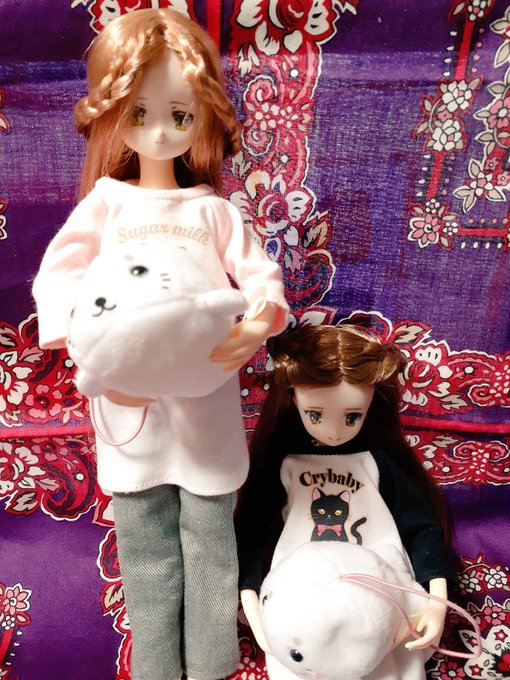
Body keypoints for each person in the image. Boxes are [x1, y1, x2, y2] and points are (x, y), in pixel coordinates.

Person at [32, 8, 288, 680]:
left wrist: (256, 325)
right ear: (111, 115)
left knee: (210, 534)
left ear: (204, 118)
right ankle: (154, 662)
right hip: (129, 396)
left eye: (180, 114)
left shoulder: (212, 211)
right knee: (143, 535)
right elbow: (60, 277)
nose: (159, 131)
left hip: (206, 392)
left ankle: (210, 659)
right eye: (139, 113)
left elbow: (261, 278)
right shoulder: (108, 204)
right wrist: (89, 352)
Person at [235, 324, 454, 680]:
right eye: (316, 415)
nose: (334, 431)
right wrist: (252, 600)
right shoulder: (287, 465)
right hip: (301, 586)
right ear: (293, 401)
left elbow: (420, 526)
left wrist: (436, 601)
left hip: (379, 582)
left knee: (388, 660)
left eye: (352, 416)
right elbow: (253, 531)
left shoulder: (374, 463)